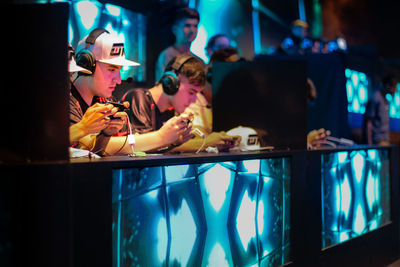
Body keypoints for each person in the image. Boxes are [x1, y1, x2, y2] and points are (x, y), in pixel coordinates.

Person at [71, 28, 193, 155]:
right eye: (112, 70)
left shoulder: (107, 101)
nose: (118, 80)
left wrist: (170, 140)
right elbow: (85, 146)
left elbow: (129, 143)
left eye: (119, 71)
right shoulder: (66, 103)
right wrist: (161, 137)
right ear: (85, 64)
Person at [124, 53, 240, 152]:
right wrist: (206, 142)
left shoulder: (172, 111)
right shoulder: (138, 97)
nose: (194, 100)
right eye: (191, 92)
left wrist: (215, 139)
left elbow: (168, 146)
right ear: (172, 82)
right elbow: (144, 147)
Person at [155, 7, 201, 81]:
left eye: (195, 26)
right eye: (187, 25)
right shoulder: (167, 55)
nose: (192, 30)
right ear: (175, 29)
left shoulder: (199, 61)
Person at [363, 75, 398, 145]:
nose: (395, 90)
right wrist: (369, 144)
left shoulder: (385, 100)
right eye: (394, 87)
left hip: (385, 140)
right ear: (388, 86)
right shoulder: (376, 98)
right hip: (378, 140)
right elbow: (369, 122)